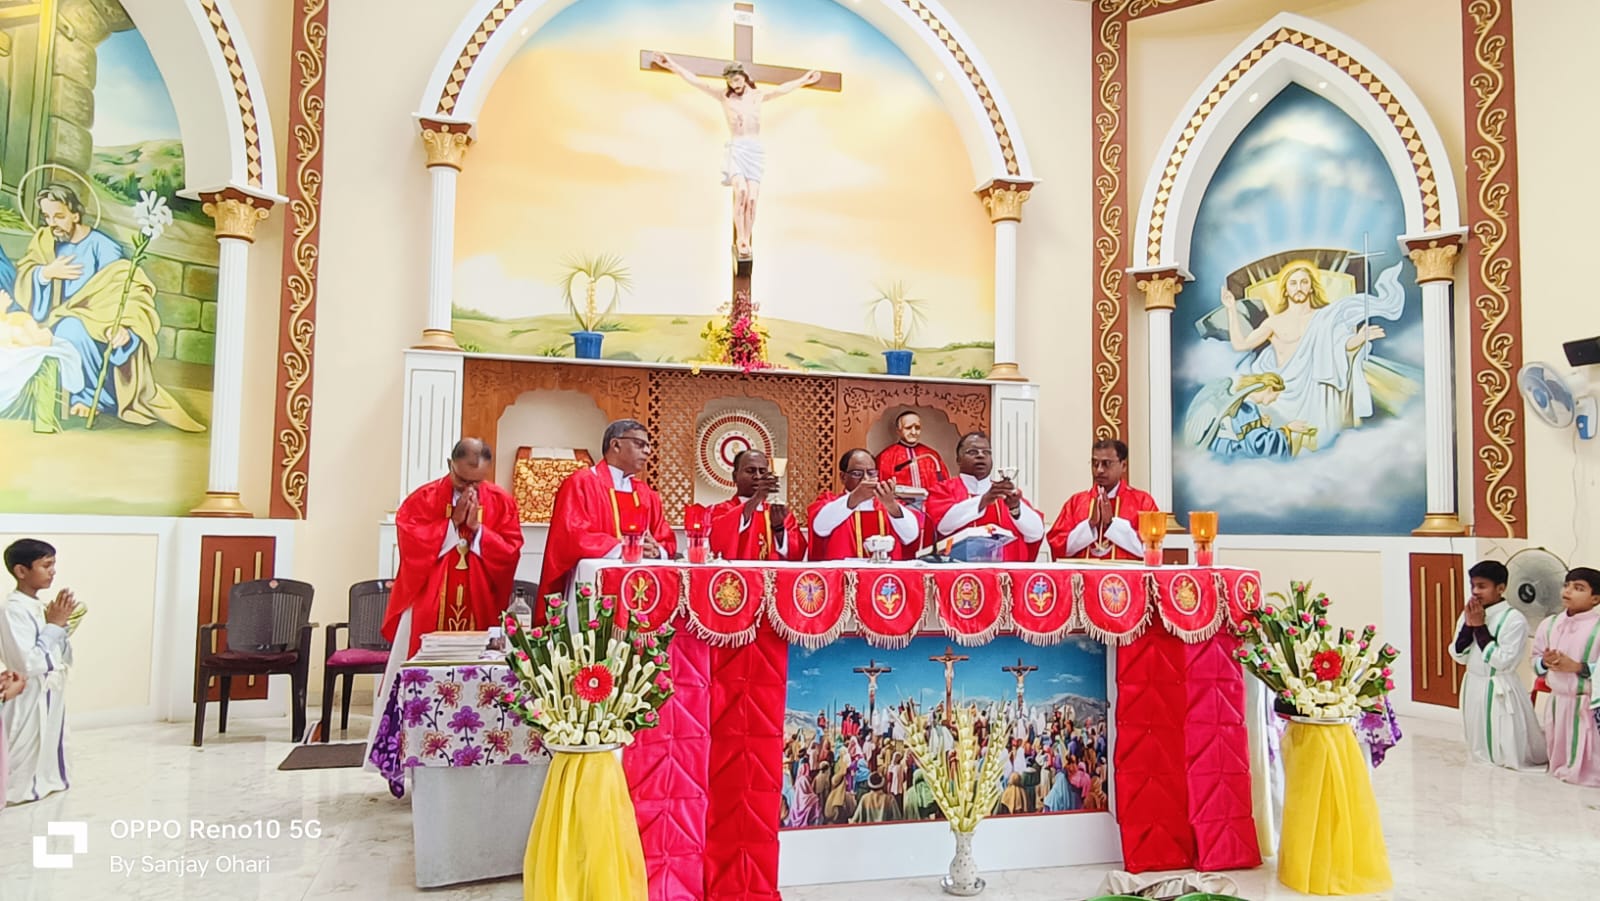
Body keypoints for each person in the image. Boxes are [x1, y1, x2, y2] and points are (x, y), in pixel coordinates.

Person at [10, 183, 202, 430]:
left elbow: (127, 289)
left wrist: (123, 327)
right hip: (53, 318)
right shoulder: (46, 241)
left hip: (97, 325)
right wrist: (45, 274)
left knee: (72, 328)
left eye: (59, 216)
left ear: (75, 214)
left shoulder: (103, 247)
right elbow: (27, 276)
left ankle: (88, 398)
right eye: (47, 217)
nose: (52, 223)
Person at [1217, 260, 1406, 448]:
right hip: (1283, 395)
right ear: (1285, 289)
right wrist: (1231, 309)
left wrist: (1359, 338)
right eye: (1293, 283)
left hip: (1318, 391)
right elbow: (1241, 344)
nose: (1298, 287)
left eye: (1304, 282)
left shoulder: (1325, 317)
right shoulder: (1274, 322)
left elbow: (1341, 345)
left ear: (1311, 287)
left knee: (1320, 445)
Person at [651, 54, 821, 260]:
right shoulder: (724, 96)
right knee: (740, 191)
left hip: (755, 151)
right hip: (737, 149)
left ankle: (746, 238)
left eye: (737, 79)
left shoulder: (757, 95)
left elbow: (781, 89)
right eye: (730, 81)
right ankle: (741, 238)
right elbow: (696, 81)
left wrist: (804, 79)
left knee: (751, 198)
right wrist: (670, 64)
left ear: (743, 76)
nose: (735, 84)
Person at [382, 438, 525, 658]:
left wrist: (478, 530)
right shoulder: (424, 498)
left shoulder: (501, 501)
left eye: (476, 482)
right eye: (461, 480)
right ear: (450, 465)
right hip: (430, 593)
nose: (469, 488)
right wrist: (451, 525)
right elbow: (411, 542)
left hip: (479, 594)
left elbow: (511, 550)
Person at [540, 419, 677, 598]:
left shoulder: (646, 494)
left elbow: (664, 536)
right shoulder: (581, 483)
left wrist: (657, 550)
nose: (647, 451)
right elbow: (572, 535)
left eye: (649, 446)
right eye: (640, 444)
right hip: (593, 588)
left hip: (643, 588)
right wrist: (627, 548)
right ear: (616, 445)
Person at [1447, 560, 1546, 771]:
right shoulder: (1470, 613)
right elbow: (1458, 655)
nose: (1475, 592)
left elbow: (1503, 661)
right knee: (1477, 740)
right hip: (1473, 682)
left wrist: (1480, 627)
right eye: (1473, 585)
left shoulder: (1514, 620)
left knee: (1503, 743)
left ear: (1500, 588)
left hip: (1499, 684)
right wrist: (1469, 626)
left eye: (1482, 586)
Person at [2, 538, 78, 804]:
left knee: (50, 737)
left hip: (49, 688)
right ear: (21, 571)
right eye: (46, 565)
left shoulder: (37, 606)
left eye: (53, 565)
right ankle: (15, 789)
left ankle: (47, 780)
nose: (52, 571)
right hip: (26, 692)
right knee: (23, 743)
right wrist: (54, 626)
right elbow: (26, 663)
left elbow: (55, 652)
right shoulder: (13, 610)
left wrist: (61, 626)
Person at [1530, 567, 1600, 787]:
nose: (1568, 591)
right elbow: (1535, 660)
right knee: (1558, 757)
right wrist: (1545, 662)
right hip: (1558, 700)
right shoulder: (1549, 624)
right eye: (1566, 585)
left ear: (1595, 599)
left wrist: (1578, 666)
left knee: (1587, 766)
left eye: (1578, 588)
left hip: (1587, 703)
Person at [925, 432, 1044, 561]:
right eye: (972, 452)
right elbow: (943, 525)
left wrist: (1016, 508)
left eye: (986, 452)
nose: (981, 455)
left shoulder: (1006, 494)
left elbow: (1036, 534)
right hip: (958, 576)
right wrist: (984, 500)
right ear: (958, 459)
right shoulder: (943, 489)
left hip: (1004, 577)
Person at [1046, 439, 1159, 561]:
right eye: (1095, 463)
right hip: (1083, 579)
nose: (1099, 470)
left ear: (1123, 465)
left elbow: (1151, 549)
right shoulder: (1076, 503)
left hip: (1126, 579)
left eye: (1107, 463)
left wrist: (1112, 524)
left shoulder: (1143, 502)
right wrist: (1090, 525)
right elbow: (1058, 547)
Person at [807, 448, 921, 560]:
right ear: (843, 477)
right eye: (857, 474)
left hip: (883, 576)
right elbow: (820, 528)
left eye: (871, 473)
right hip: (844, 576)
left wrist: (891, 506)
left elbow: (910, 536)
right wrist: (854, 499)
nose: (865, 479)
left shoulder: (887, 505)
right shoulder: (831, 503)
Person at [708, 450, 806, 561]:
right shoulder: (721, 510)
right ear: (735, 477)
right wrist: (757, 498)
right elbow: (717, 544)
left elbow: (797, 554)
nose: (757, 476)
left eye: (763, 471)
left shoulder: (779, 512)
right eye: (750, 471)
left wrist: (779, 529)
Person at [876, 411, 949, 494]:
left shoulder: (931, 455)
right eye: (908, 428)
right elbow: (882, 490)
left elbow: (944, 485)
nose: (913, 432)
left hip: (930, 504)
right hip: (898, 505)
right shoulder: (886, 457)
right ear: (898, 431)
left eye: (917, 428)